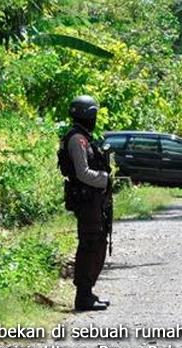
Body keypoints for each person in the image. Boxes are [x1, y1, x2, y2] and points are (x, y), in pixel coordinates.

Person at [58, 95, 111, 311]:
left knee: (97, 242)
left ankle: (87, 292)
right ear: (88, 115)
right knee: (91, 244)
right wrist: (105, 178)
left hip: (92, 199)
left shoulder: (82, 136)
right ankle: (83, 296)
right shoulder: (77, 139)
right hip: (86, 199)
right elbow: (82, 173)